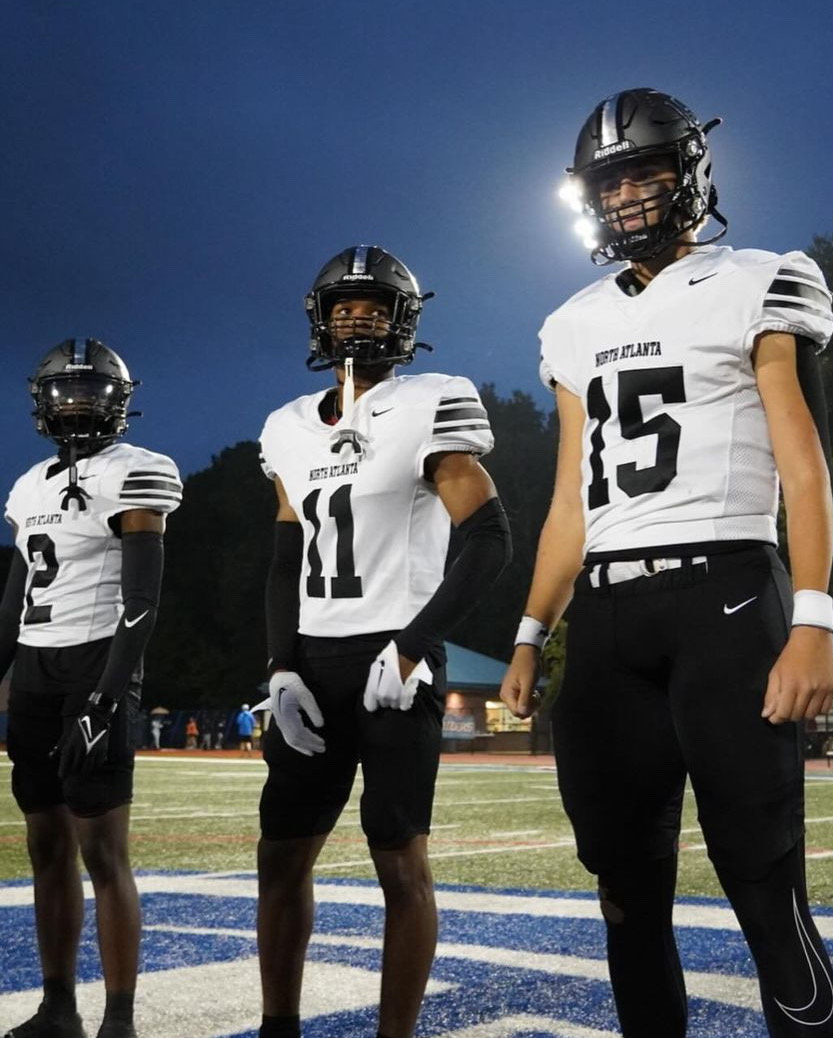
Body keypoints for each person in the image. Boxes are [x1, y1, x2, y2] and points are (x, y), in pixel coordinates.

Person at [500, 88, 833, 1037]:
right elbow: (572, 495)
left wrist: (811, 616)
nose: (628, 196)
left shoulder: (760, 277)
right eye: (610, 181)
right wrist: (532, 630)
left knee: (763, 883)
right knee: (623, 886)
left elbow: (802, 462)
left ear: (689, 171)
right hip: (606, 618)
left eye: (646, 170)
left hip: (726, 596)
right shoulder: (568, 322)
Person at [255, 245, 511, 1038]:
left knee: (398, 856)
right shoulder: (287, 427)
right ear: (320, 320)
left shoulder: (433, 399)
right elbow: (285, 559)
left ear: (404, 321)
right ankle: (278, 1026)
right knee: (279, 853)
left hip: (394, 655)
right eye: (343, 307)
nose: (356, 318)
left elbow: (491, 537)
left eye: (373, 306)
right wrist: (278, 666)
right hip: (314, 660)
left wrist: (414, 641)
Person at [0, 338, 182, 1038]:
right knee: (44, 847)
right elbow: (13, 602)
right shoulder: (27, 487)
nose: (75, 403)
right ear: (42, 401)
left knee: (102, 851)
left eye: (90, 392)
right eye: (63, 391)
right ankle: (57, 1008)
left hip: (96, 666)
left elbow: (143, 600)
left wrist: (109, 695)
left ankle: (120, 1019)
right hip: (38, 671)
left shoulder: (137, 472)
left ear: (118, 402)